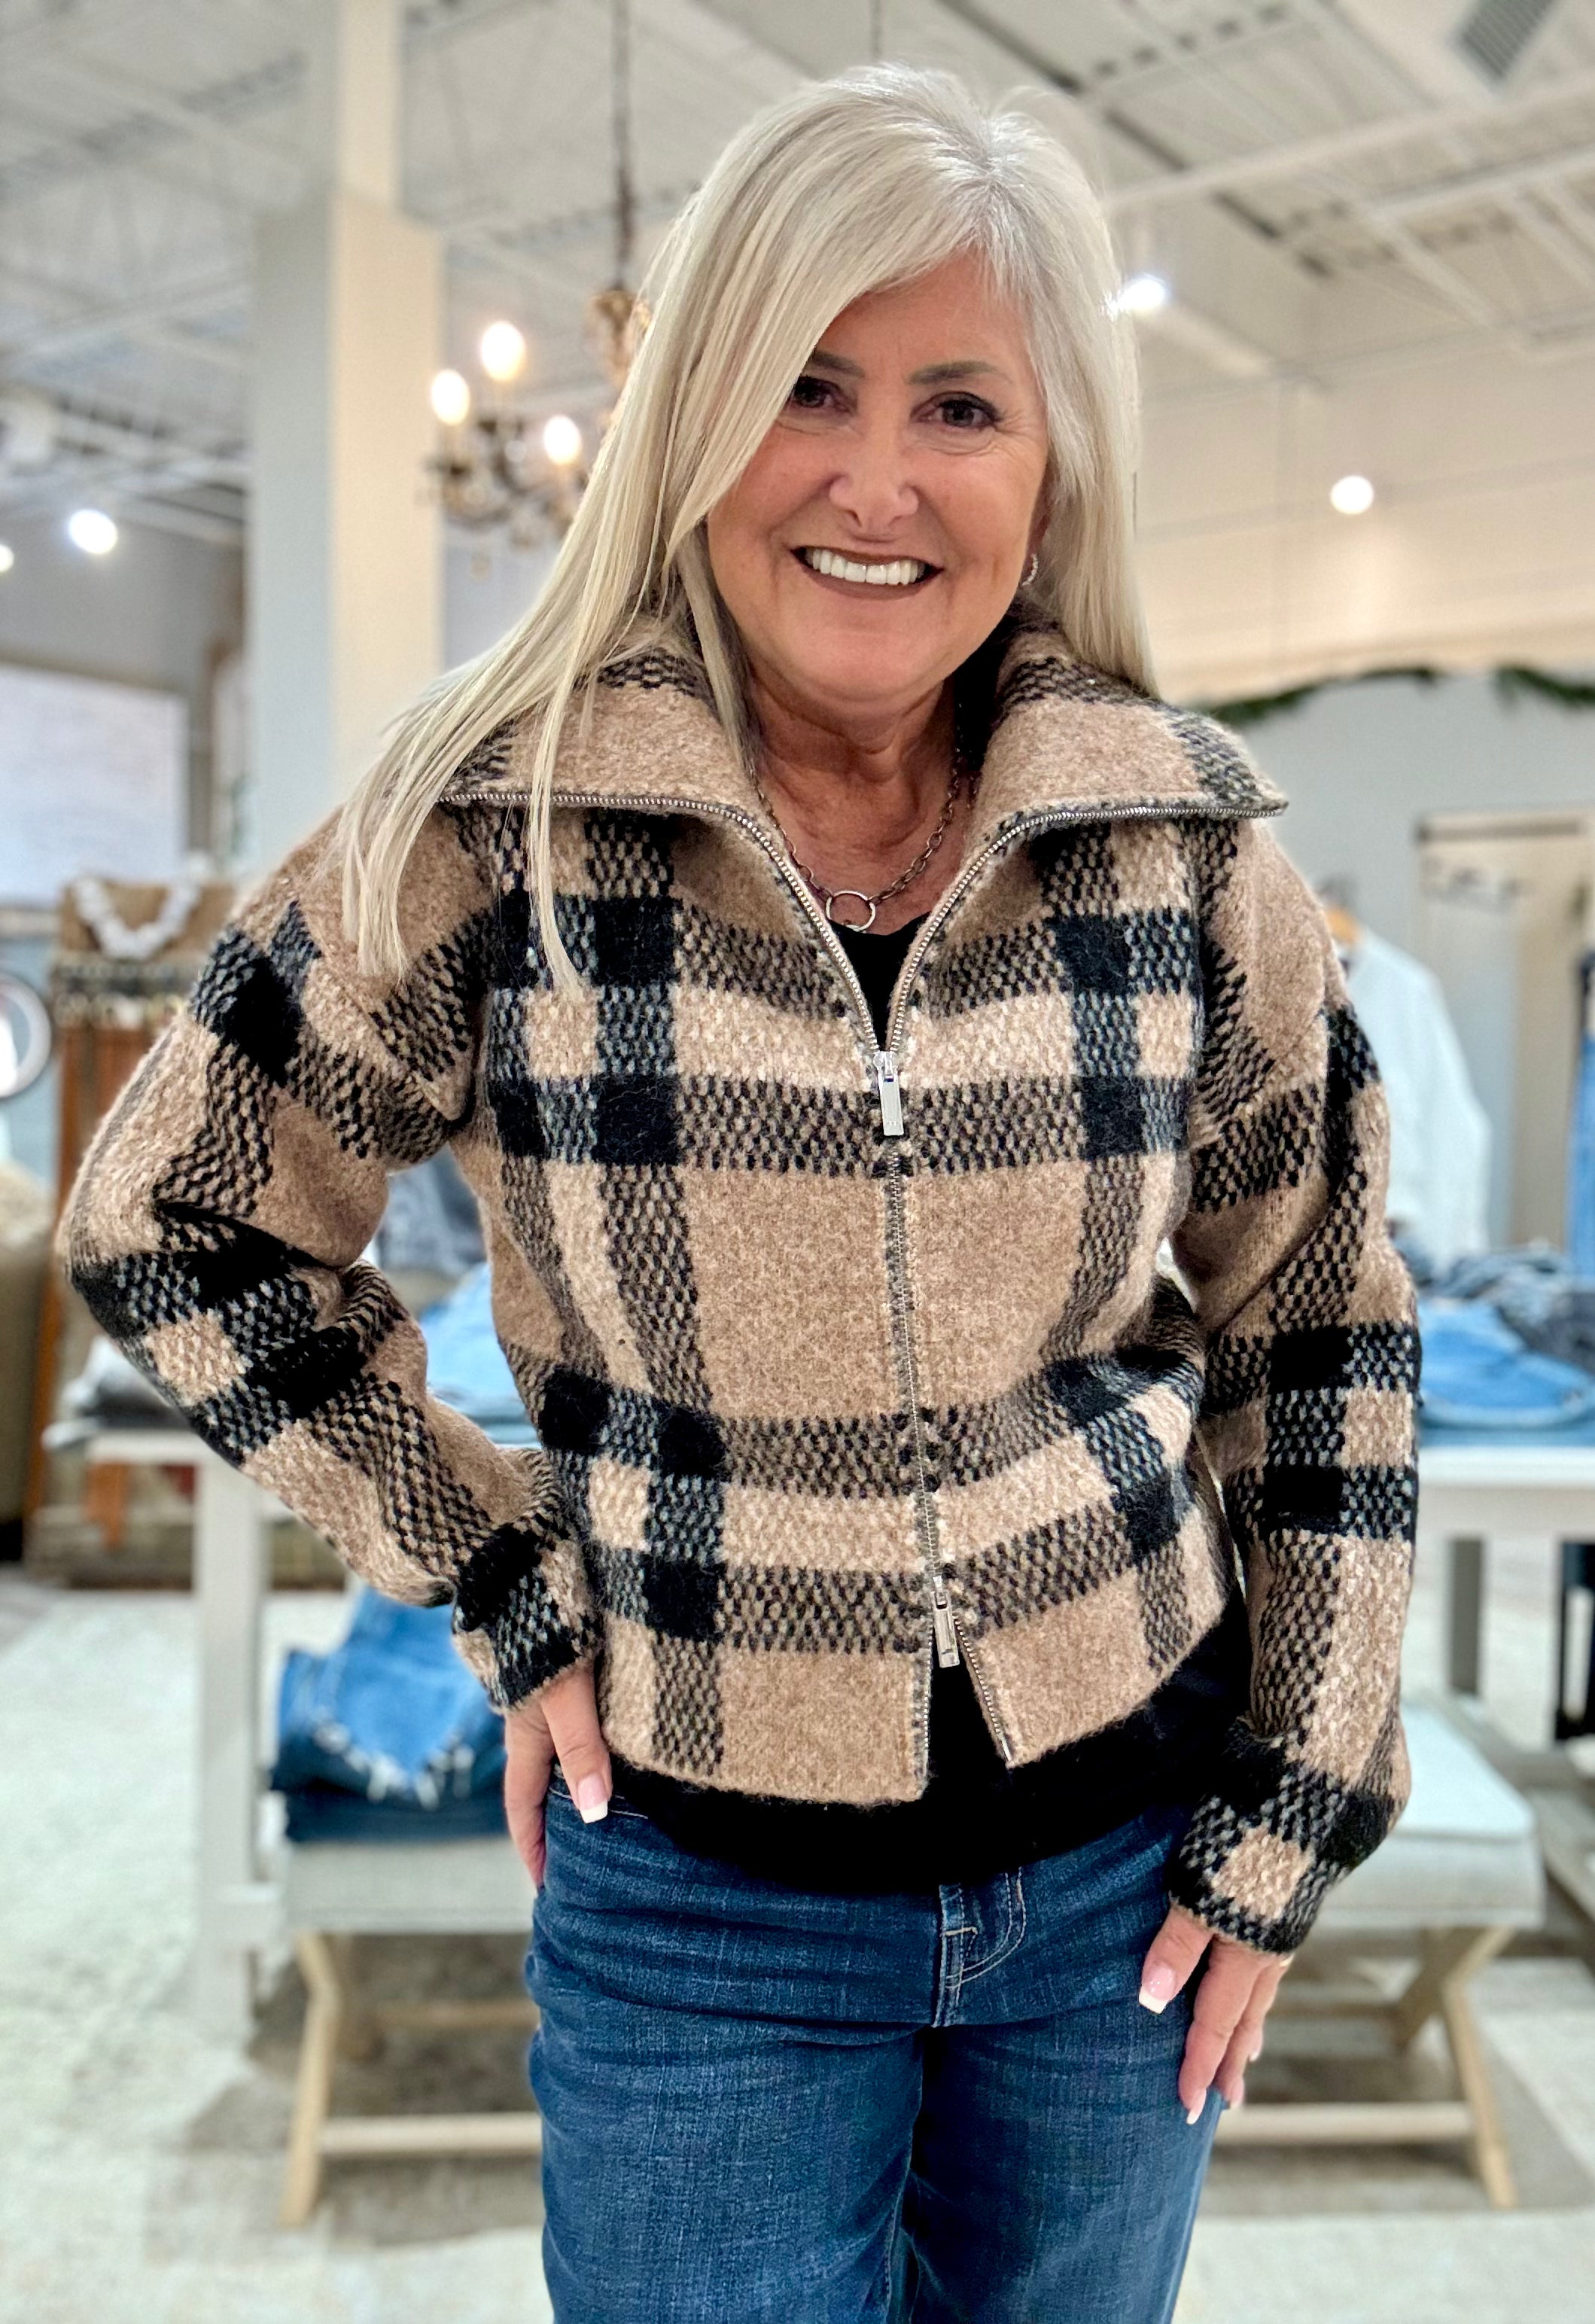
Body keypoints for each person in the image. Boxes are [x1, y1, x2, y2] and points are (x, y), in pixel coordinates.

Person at [62, 64, 1419, 2324]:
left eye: (960, 405)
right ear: (690, 417)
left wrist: (1296, 1804)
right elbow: (178, 1215)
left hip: (1124, 1883)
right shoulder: (491, 828)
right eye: (805, 385)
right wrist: (490, 1563)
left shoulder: (1184, 848)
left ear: (1051, 463)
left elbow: (1325, 1318)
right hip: (700, 1897)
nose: (877, 482)